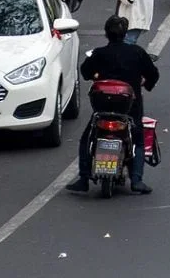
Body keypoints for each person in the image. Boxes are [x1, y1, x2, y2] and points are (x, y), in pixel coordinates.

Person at [67, 15, 159, 195]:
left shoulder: (99, 53)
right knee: (138, 140)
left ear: (106, 33)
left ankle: (84, 178)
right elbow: (153, 75)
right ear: (125, 34)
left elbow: (85, 72)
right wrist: (145, 83)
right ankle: (137, 180)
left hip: (102, 108)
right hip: (130, 108)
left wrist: (96, 75)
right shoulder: (137, 52)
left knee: (87, 139)